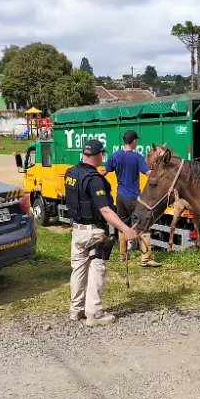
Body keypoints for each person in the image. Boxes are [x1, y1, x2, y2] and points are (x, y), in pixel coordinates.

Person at [65, 139, 138, 326]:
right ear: (97, 155)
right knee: (97, 270)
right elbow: (105, 211)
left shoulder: (71, 173)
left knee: (78, 270)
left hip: (77, 231)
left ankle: (76, 310)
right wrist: (126, 229)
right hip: (93, 232)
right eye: (102, 155)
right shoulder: (95, 180)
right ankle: (94, 314)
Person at [101, 130, 162, 267]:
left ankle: (123, 255)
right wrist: (160, 171)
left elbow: (104, 172)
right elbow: (149, 174)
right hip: (133, 198)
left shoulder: (115, 156)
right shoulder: (137, 157)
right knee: (143, 225)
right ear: (133, 141)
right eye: (136, 140)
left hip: (120, 197)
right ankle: (145, 259)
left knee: (123, 224)